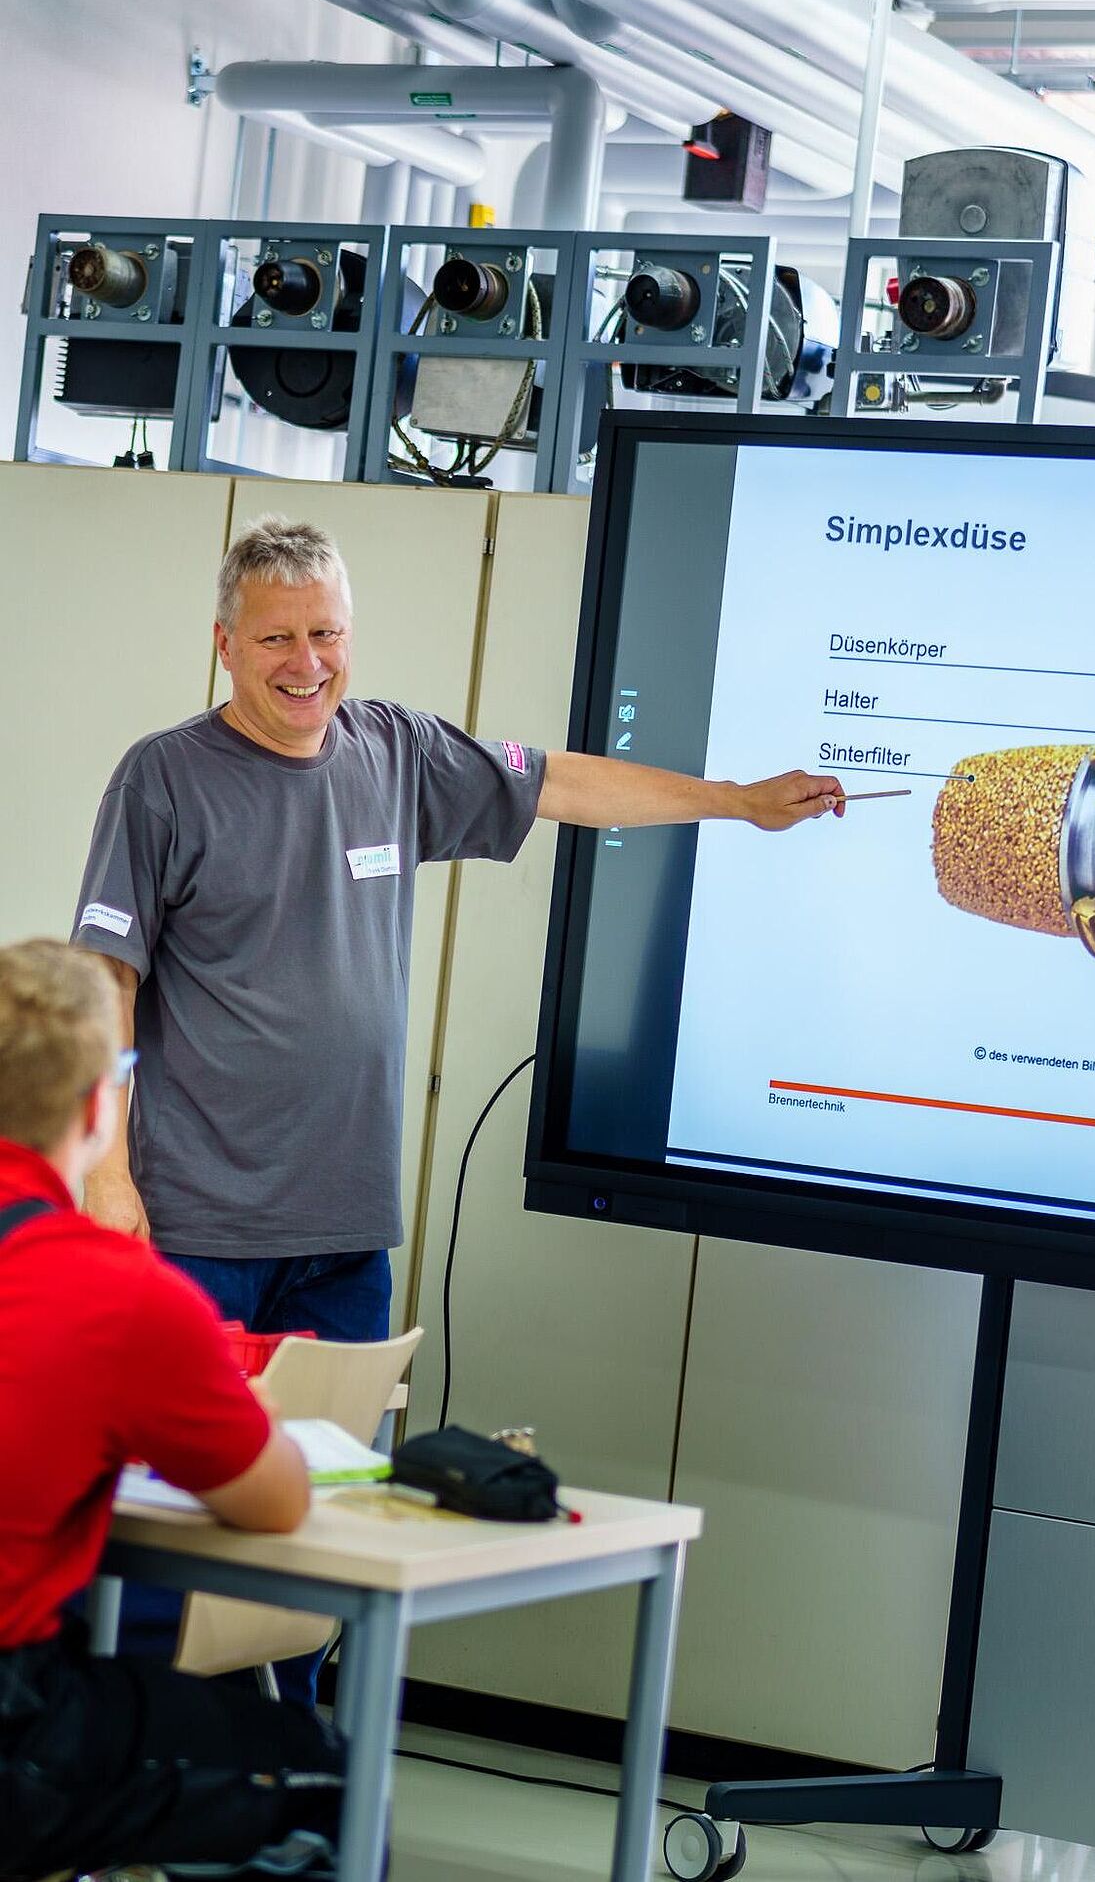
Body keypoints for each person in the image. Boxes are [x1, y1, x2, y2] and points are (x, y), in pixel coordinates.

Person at [70, 514, 844, 1697]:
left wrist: (735, 801)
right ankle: (140, 1786)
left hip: (344, 1243)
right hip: (196, 1233)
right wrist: (112, 1173)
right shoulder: (165, 778)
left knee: (325, 1546)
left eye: (326, 633)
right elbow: (106, 980)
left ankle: (290, 1790)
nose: (306, 663)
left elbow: (567, 784)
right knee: (177, 1552)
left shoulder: (394, 755)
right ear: (225, 643)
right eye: (276, 637)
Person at [0, 938, 344, 1879]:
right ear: (100, 1105)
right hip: (13, 1738)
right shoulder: (113, 1292)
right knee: (316, 1781)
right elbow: (273, 1502)